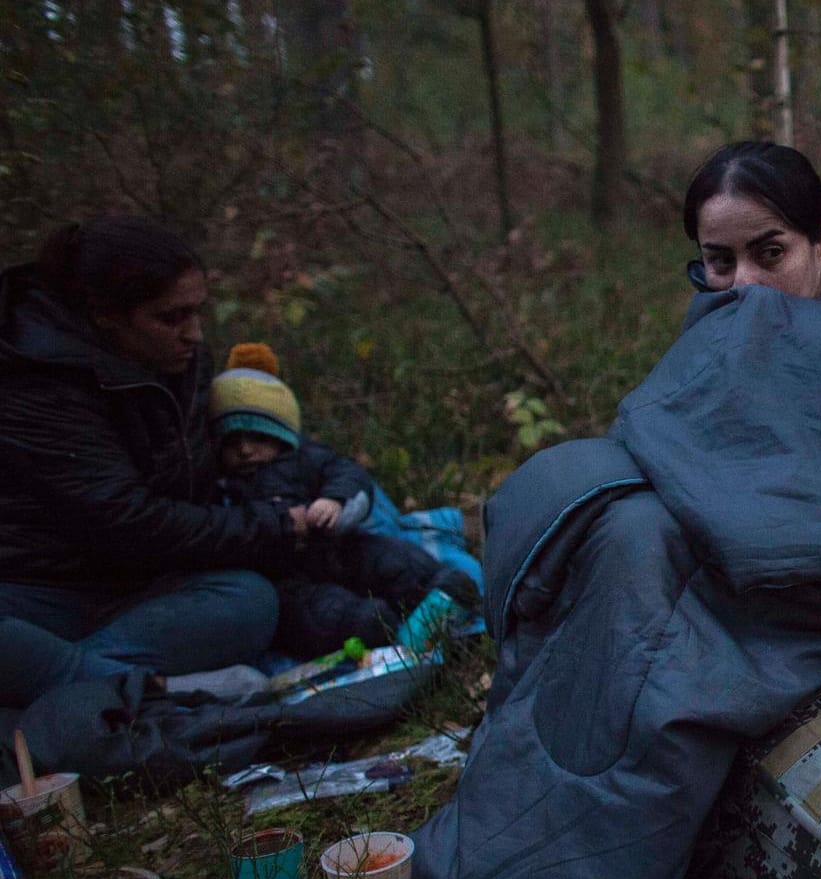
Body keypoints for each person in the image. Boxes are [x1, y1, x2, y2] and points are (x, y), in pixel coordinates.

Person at [413, 142, 821, 879]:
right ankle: (511, 842)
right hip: (796, 552)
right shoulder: (766, 309)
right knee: (620, 541)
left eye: (771, 253)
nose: (746, 287)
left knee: (652, 597)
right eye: (719, 261)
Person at [0, 217, 301, 707]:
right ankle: (132, 691)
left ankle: (60, 683)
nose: (193, 334)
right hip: (39, 590)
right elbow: (123, 519)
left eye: (196, 313)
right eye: (171, 318)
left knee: (249, 600)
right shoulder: (35, 380)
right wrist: (266, 529)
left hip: (140, 591)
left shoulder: (175, 361)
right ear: (106, 317)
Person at [209, 343, 478, 657]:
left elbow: (347, 473)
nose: (245, 450)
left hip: (340, 546)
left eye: (258, 438)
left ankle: (445, 593)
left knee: (393, 559)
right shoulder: (222, 486)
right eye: (232, 442)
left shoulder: (305, 457)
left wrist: (335, 502)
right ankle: (381, 630)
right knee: (324, 613)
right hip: (288, 580)